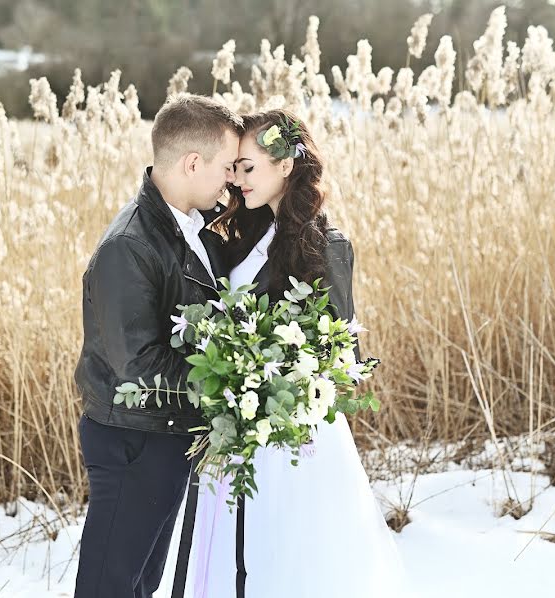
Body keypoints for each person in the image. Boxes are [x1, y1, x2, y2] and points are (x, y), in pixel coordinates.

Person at [155, 110, 411, 598]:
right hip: (238, 424)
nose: (236, 178)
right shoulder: (241, 235)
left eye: (248, 167)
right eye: (233, 168)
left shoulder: (323, 244)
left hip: (295, 435)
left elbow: (344, 355)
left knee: (290, 557)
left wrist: (277, 378)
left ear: (286, 167)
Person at [73, 93, 242, 598]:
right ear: (194, 163)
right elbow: (139, 364)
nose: (231, 178)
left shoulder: (190, 226)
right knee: (110, 585)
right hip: (133, 438)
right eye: (227, 166)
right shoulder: (130, 244)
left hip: (165, 433)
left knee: (139, 583)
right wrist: (229, 379)